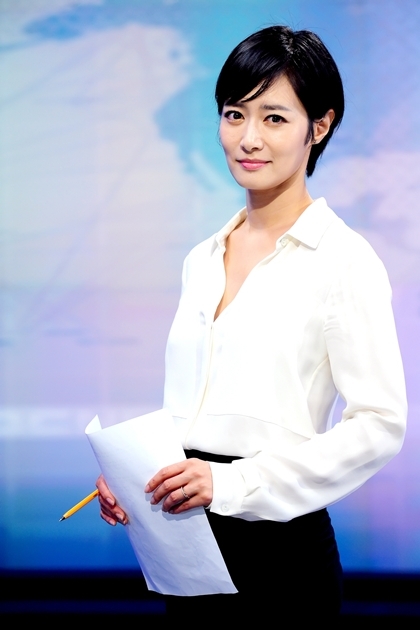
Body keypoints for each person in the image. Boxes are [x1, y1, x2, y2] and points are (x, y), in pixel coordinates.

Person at [96, 25, 406, 621]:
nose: (248, 138)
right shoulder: (202, 258)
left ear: (320, 126)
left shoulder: (343, 260)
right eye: (234, 115)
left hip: (279, 554)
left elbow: (379, 425)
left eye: (274, 118)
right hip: (187, 546)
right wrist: (139, 478)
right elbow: (194, 412)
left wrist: (232, 484)